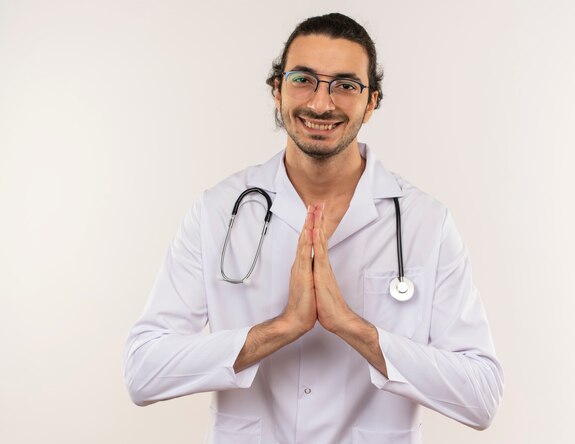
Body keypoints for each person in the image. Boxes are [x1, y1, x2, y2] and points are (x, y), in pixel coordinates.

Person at [123, 12, 504, 443]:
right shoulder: (218, 211)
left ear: (372, 102)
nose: (321, 104)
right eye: (303, 78)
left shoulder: (425, 223)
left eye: (345, 85)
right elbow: (143, 370)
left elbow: (481, 396)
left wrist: (351, 327)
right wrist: (281, 329)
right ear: (277, 89)